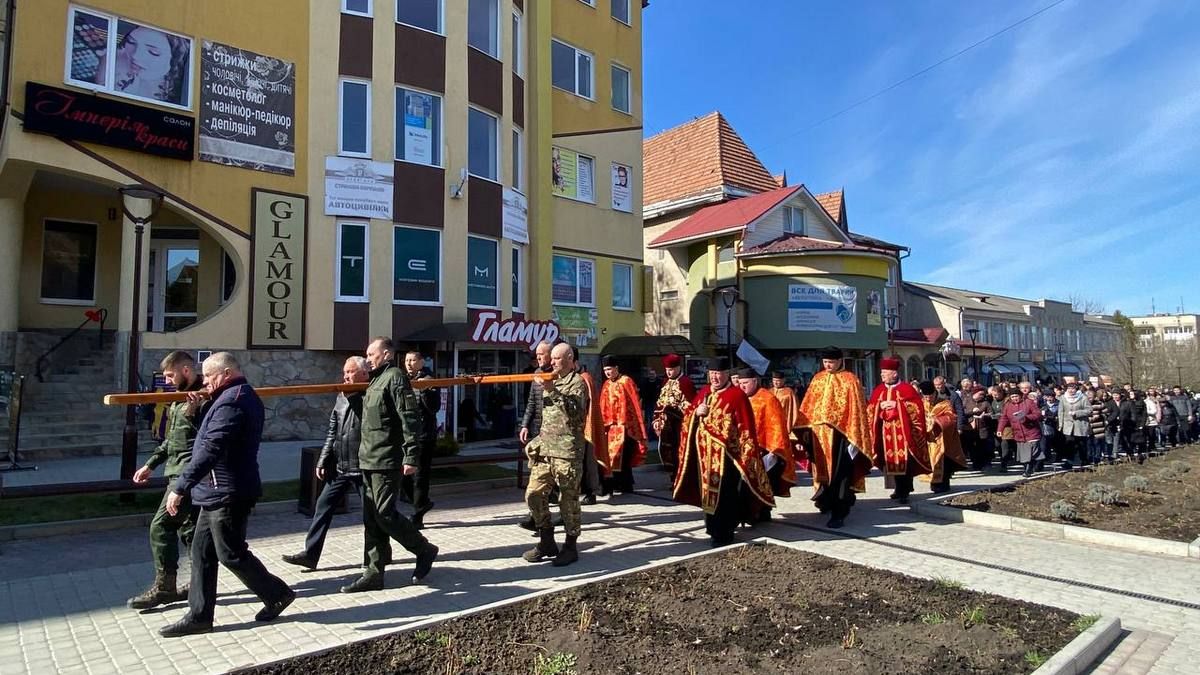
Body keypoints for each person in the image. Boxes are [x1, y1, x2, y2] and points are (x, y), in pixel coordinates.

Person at [158, 352, 294, 637]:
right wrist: (197, 413)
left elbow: (211, 448)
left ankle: (277, 593)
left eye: (208, 376)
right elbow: (207, 438)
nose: (204, 381)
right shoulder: (230, 397)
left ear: (226, 373)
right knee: (201, 553)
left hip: (228, 492)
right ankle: (199, 616)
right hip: (216, 490)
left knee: (231, 553)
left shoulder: (232, 401)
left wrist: (180, 487)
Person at [341, 337, 439, 593]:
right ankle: (373, 572)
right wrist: (353, 397)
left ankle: (423, 549)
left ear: (386, 354)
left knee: (384, 514)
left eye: (371, 354)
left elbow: (409, 418)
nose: (368, 358)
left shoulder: (395, 377)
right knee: (371, 518)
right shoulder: (374, 381)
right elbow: (371, 418)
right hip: (369, 458)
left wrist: (411, 456)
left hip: (387, 458)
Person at [128, 350, 204, 610]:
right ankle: (199, 583)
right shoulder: (177, 399)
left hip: (188, 474)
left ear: (185, 370)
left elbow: (208, 440)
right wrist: (150, 464)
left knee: (160, 527)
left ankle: (165, 587)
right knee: (189, 531)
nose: (168, 381)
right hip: (176, 470)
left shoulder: (203, 397)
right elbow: (172, 439)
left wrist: (195, 414)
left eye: (171, 375)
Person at [281, 357, 373, 571]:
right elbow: (333, 431)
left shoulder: (370, 395)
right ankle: (310, 555)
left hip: (362, 466)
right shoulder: (341, 396)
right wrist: (323, 460)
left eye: (350, 372)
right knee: (323, 506)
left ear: (363, 374)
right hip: (341, 466)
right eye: (345, 372)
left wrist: (355, 396)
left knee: (373, 515)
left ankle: (378, 557)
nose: (346, 377)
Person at [673, 357, 773, 546]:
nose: (715, 377)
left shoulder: (736, 396)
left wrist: (740, 450)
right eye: (711, 374)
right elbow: (688, 418)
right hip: (705, 457)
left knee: (725, 495)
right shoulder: (703, 392)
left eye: (718, 373)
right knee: (707, 495)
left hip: (727, 457)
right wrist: (696, 413)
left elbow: (744, 427)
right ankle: (712, 529)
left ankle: (725, 533)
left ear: (727, 374)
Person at [522, 343, 588, 567]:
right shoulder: (550, 378)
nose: (552, 362)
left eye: (558, 359)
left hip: (567, 452)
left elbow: (576, 414)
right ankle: (546, 540)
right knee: (533, 494)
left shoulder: (577, 383)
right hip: (545, 449)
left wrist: (552, 390)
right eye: (552, 358)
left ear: (570, 359)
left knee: (567, 501)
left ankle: (570, 546)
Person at [797, 347, 874, 528]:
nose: (827, 365)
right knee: (821, 473)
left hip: (841, 436)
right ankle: (826, 501)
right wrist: (801, 435)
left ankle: (840, 512)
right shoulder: (818, 379)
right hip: (818, 436)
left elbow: (856, 412)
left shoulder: (850, 380)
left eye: (831, 362)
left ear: (840, 361)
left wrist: (853, 439)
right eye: (825, 362)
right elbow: (807, 406)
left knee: (840, 475)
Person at [867, 357, 931, 504]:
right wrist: (879, 407)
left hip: (904, 434)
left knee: (905, 461)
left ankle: (905, 490)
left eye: (885, 372)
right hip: (885, 433)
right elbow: (870, 409)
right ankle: (897, 488)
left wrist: (897, 405)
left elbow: (916, 409)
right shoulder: (879, 390)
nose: (882, 375)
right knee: (890, 461)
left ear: (894, 374)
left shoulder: (907, 389)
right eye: (881, 372)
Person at [735, 368, 794, 521]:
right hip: (741, 449)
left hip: (764, 450)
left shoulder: (768, 399)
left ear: (755, 381)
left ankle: (761, 512)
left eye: (745, 383)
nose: (742, 386)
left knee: (762, 484)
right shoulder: (738, 398)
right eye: (740, 383)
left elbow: (777, 426)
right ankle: (748, 514)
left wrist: (774, 450)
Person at [98, 25, 190, 106]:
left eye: (153, 52)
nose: (135, 55)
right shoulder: (113, 59)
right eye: (131, 42)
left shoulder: (183, 91)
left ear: (174, 59)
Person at [401, 351, 440, 529]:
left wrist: (425, 392)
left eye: (413, 360)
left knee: (420, 475)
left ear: (421, 362)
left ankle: (418, 514)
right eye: (407, 360)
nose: (409, 363)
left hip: (424, 434)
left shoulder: (429, 380)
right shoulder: (401, 378)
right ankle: (421, 503)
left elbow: (434, 408)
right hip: (405, 434)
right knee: (402, 474)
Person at [598, 356, 647, 495]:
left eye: (609, 369)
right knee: (611, 457)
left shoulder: (626, 381)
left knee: (622, 457)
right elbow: (602, 405)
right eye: (605, 370)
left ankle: (625, 485)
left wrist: (629, 423)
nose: (607, 372)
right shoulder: (606, 384)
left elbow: (634, 403)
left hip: (624, 427)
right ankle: (613, 484)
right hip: (611, 427)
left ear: (616, 368)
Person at [919, 381, 968, 493]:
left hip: (943, 438)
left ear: (935, 394)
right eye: (925, 396)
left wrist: (936, 421)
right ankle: (934, 483)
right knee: (931, 462)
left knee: (943, 462)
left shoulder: (944, 404)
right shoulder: (921, 404)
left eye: (930, 396)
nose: (928, 399)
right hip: (928, 440)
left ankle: (943, 484)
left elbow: (951, 417)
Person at [651, 353, 695, 472]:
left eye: (671, 370)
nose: (669, 373)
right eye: (667, 370)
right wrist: (656, 419)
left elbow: (690, 404)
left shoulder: (686, 382)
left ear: (677, 368)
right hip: (665, 425)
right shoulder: (665, 382)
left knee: (678, 452)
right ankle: (672, 477)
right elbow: (660, 402)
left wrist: (674, 410)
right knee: (666, 451)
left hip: (678, 425)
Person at [997, 388, 1042, 477]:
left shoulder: (1028, 402)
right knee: (1024, 452)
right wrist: (1000, 429)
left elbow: (1037, 414)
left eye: (1016, 396)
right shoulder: (1008, 405)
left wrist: (1026, 417)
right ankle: (1027, 468)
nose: (1014, 398)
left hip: (1031, 430)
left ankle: (1030, 468)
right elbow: (1004, 418)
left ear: (1020, 396)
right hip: (1019, 433)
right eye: (1012, 397)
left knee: (1032, 451)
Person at [771, 371, 809, 473]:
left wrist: (792, 425)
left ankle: (787, 468)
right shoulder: (769, 392)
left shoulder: (789, 393)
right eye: (774, 381)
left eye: (778, 381)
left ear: (783, 380)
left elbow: (794, 410)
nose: (776, 383)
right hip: (771, 425)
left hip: (784, 424)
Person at [1058, 381, 1091, 469]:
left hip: (1080, 425)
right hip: (1068, 425)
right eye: (1069, 388)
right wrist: (1060, 425)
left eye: (1073, 388)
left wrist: (1077, 413)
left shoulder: (1083, 397)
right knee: (1069, 443)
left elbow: (1089, 410)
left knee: (1081, 444)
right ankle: (1069, 461)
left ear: (1076, 389)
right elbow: (1061, 412)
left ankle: (1084, 460)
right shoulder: (1063, 398)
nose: (1071, 390)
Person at [964, 385, 995, 470]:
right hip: (970, 428)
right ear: (975, 393)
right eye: (980, 394)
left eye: (983, 394)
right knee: (972, 448)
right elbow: (963, 413)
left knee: (982, 446)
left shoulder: (985, 403)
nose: (982, 396)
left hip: (983, 428)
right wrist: (972, 412)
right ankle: (975, 463)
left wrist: (984, 415)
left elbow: (991, 414)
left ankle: (984, 463)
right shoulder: (967, 401)